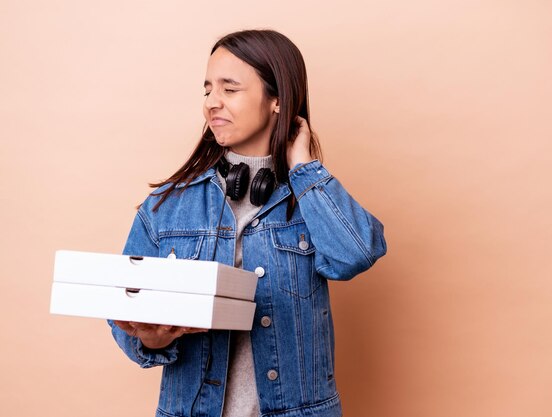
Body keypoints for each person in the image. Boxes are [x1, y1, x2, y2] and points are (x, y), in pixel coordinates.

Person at [108, 29, 386, 417]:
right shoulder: (166, 206)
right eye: (207, 90)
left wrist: (304, 168)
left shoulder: (311, 201)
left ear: (276, 100)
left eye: (229, 89)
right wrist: (152, 341)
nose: (211, 103)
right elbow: (121, 315)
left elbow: (354, 255)